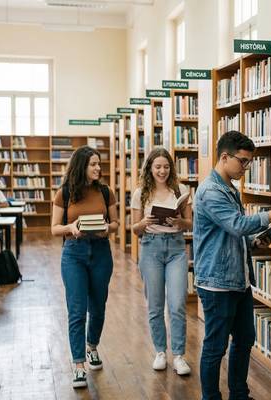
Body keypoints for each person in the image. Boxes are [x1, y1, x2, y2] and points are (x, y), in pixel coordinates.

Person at [194, 131, 271, 400]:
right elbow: (236, 225)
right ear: (225, 157)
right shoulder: (211, 191)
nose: (246, 168)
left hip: (238, 279)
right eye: (243, 162)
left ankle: (239, 394)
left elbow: (232, 235)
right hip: (216, 283)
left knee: (245, 339)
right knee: (215, 346)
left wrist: (255, 242)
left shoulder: (229, 189)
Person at [50, 145, 118, 389]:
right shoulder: (65, 193)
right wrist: (71, 228)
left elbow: (115, 223)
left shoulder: (106, 191)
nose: (98, 168)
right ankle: (78, 364)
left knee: (98, 308)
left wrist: (106, 229)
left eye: (99, 164)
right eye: (93, 164)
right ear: (81, 166)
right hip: (74, 253)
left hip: (101, 251)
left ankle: (92, 347)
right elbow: (55, 228)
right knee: (77, 310)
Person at [131, 148, 193, 375]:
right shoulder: (141, 193)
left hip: (176, 247)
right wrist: (145, 222)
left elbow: (191, 224)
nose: (162, 171)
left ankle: (179, 355)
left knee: (177, 304)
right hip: (151, 248)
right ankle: (160, 352)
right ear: (150, 168)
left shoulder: (181, 190)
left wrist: (179, 221)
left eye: (166, 166)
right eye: (157, 166)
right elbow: (134, 230)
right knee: (155, 305)